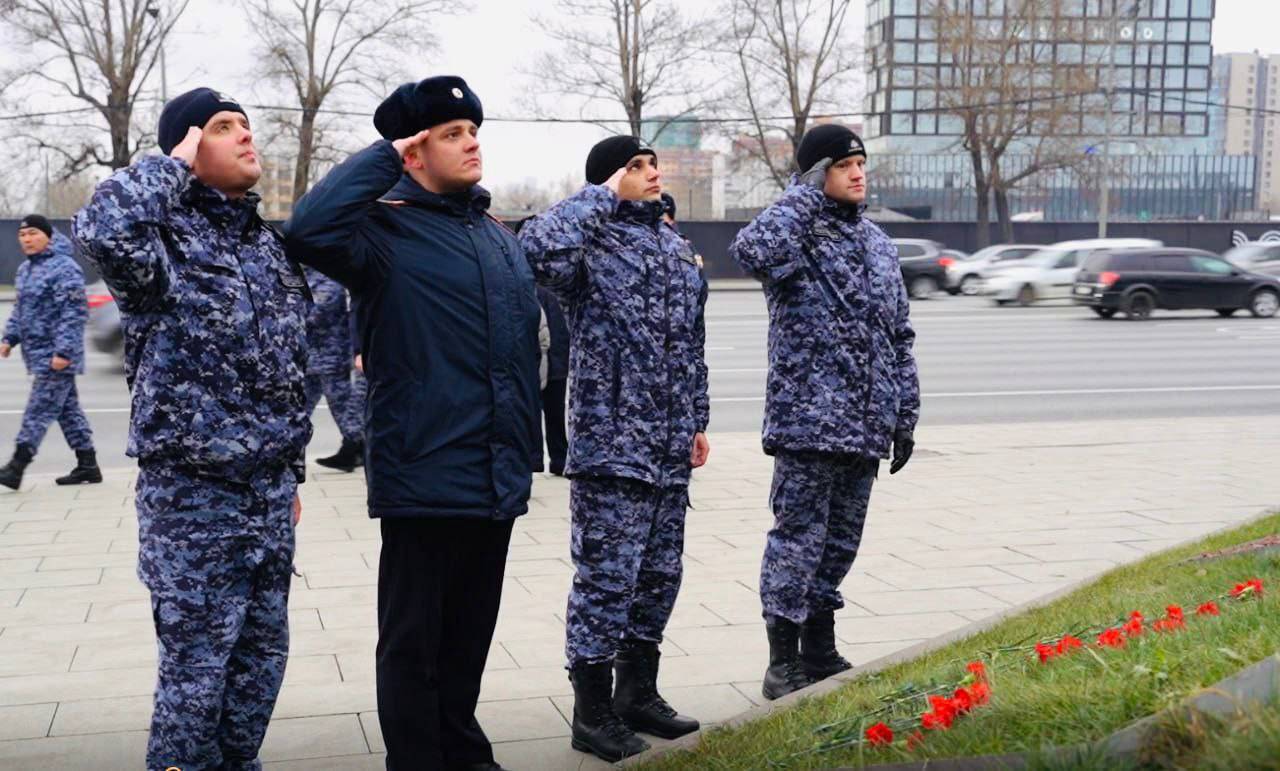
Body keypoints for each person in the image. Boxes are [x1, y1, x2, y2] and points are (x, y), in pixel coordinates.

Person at [283, 75, 540, 771]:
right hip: (424, 469)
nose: (471, 142)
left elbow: (517, 350)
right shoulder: (381, 230)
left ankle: (464, 749)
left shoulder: (494, 233)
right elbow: (307, 230)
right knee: (414, 642)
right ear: (414, 151)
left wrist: (524, 453)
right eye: (452, 134)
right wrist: (384, 155)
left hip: (494, 472)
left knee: (468, 636)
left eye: (473, 130)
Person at [73, 87, 311, 770]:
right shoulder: (162, 243)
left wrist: (291, 473)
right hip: (194, 498)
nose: (246, 136)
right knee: (197, 673)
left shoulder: (264, 245)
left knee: (260, 661)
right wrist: (170, 165)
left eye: (246, 124)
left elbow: (285, 370)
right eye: (223, 126)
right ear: (187, 144)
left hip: (268, 495)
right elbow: (101, 228)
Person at [519, 135, 710, 761]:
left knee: (659, 577)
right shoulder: (588, 246)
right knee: (606, 581)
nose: (651, 173)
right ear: (607, 180)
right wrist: (599, 197)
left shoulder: (675, 248)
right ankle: (592, 711)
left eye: (653, 164)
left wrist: (697, 419)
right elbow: (533, 250)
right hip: (612, 445)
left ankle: (637, 693)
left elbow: (691, 344)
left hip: (668, 445)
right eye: (635, 166)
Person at [729, 124, 919, 701]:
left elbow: (898, 335)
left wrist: (905, 412)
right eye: (842, 165)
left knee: (839, 544)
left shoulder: (878, 244)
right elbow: (751, 251)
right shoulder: (796, 235)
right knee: (797, 542)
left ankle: (819, 646)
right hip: (809, 423)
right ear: (815, 175)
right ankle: (782, 660)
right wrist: (803, 195)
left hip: (865, 425)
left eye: (860, 163)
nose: (858, 173)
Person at [0, 214, 101, 490]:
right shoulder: (25, 270)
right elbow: (20, 311)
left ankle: (17, 466)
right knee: (68, 411)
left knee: (38, 409)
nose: (27, 239)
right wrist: (9, 338)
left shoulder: (65, 268)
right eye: (23, 235)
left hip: (57, 356)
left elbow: (74, 312)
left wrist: (64, 353)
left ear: (48, 236)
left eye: (33, 233)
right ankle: (88, 465)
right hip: (37, 354)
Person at [303, 266, 364, 472]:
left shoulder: (327, 278)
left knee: (342, 407)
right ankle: (353, 449)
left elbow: (316, 312)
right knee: (300, 407)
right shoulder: (304, 275)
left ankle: (355, 447)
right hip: (310, 357)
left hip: (331, 357)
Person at [536, 285, 569, 475]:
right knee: (551, 414)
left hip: (554, 362)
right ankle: (554, 459)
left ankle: (552, 459)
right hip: (548, 361)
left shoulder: (547, 291)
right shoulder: (555, 292)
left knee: (553, 414)